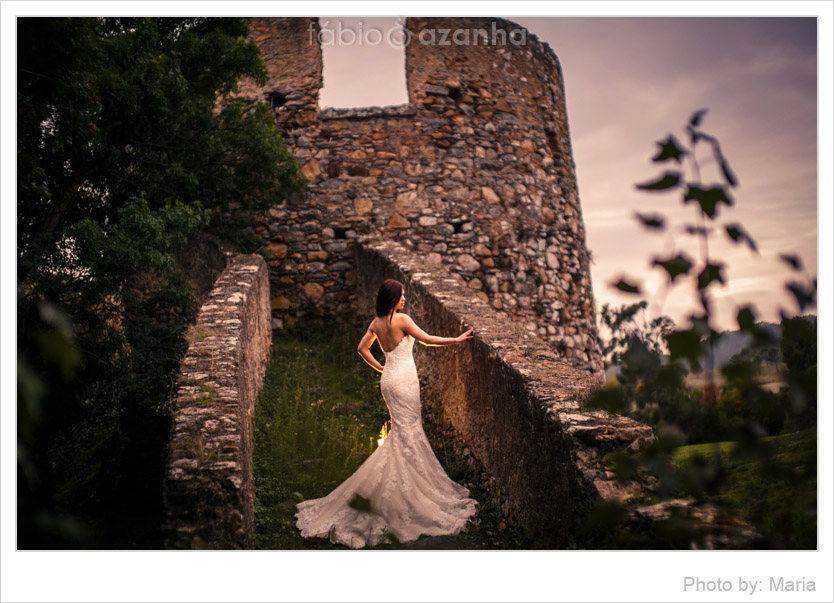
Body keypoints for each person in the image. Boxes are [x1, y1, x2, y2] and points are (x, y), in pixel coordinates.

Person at [295, 278, 478, 548]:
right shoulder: (401, 319)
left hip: (389, 380)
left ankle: (403, 491)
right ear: (393, 298)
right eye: (402, 296)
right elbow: (427, 340)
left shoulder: (376, 322)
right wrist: (457, 339)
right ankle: (408, 496)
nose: (405, 299)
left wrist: (383, 370)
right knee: (409, 431)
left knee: (401, 433)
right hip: (404, 380)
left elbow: (362, 349)